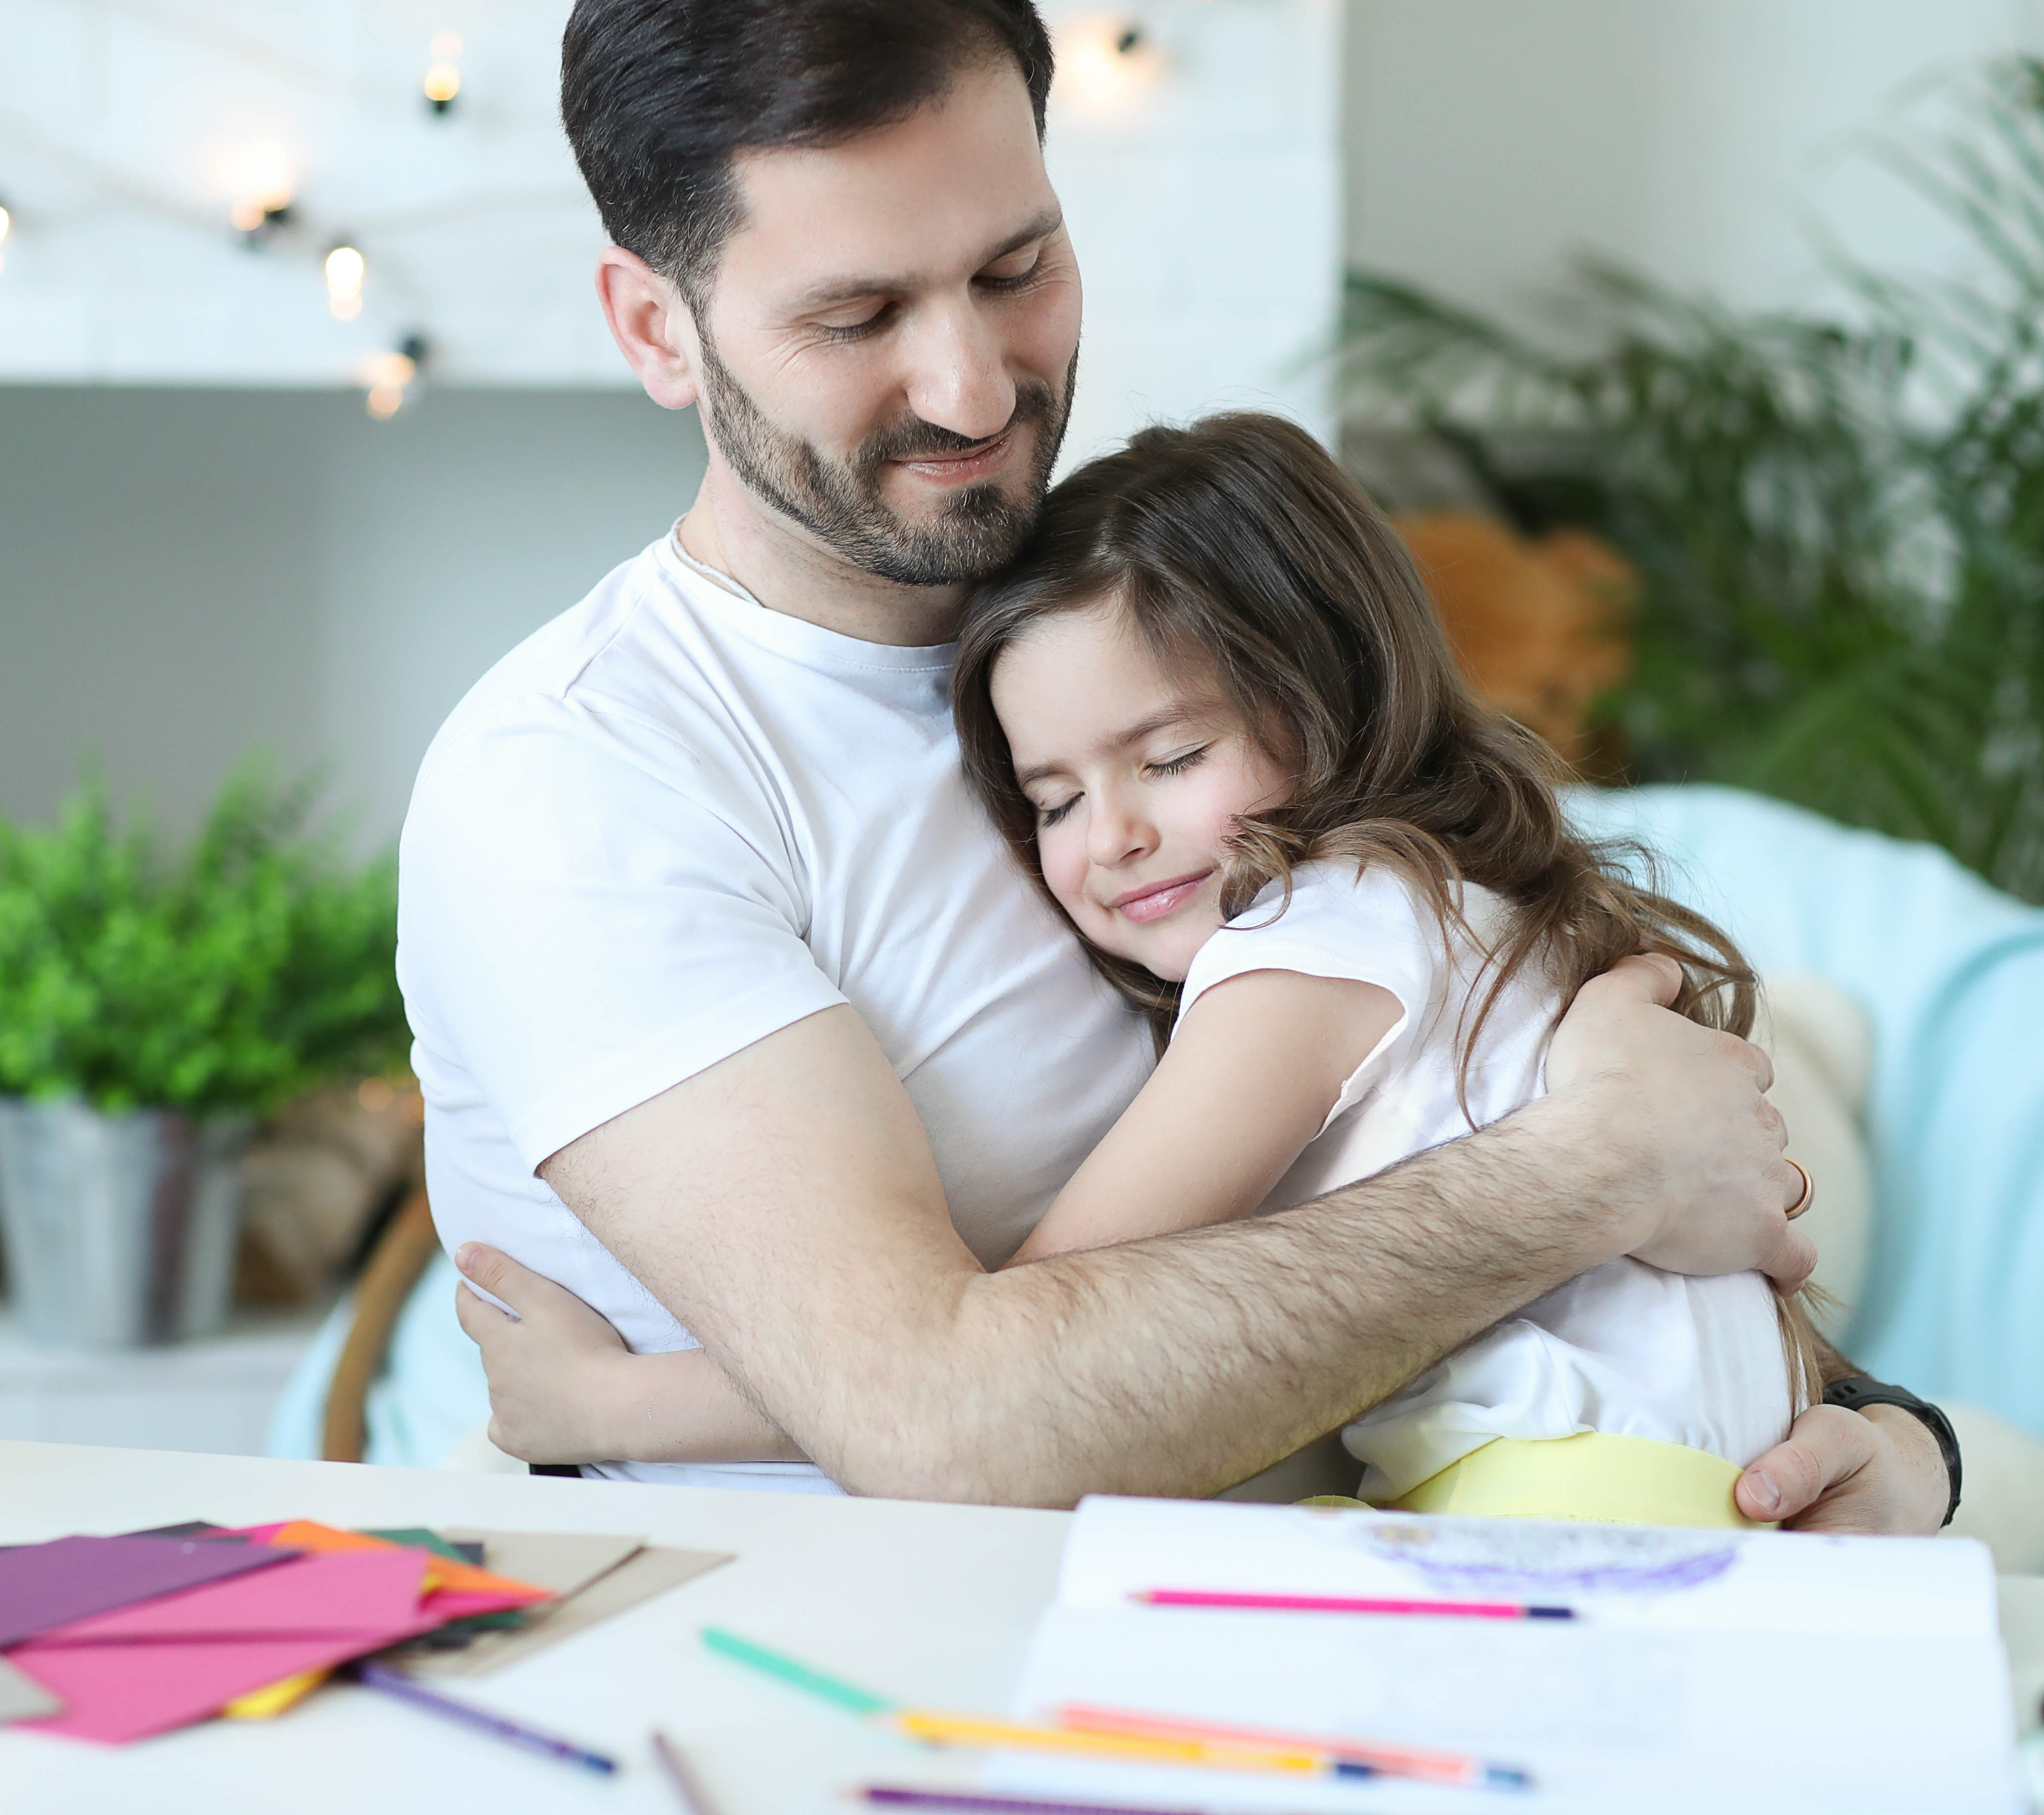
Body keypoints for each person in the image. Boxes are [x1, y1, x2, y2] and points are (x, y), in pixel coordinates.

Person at [397, 0, 1953, 1526]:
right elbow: (940, 1427)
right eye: (858, 317)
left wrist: (1891, 1447)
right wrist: (1588, 1176)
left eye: (1018, 269)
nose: (975, 388)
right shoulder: (586, 779)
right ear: (655, 328)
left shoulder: (1144, 638)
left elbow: (1504, 1177)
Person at [454, 412, 1844, 1530]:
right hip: (1677, 1488)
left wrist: (609, 1412)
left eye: (1171, 760)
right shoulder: (1455, 906)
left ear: (1330, 695)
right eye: (1051, 801)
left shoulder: (1317, 943)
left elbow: (1031, 1356)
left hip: (1565, 1501)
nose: (1110, 837)